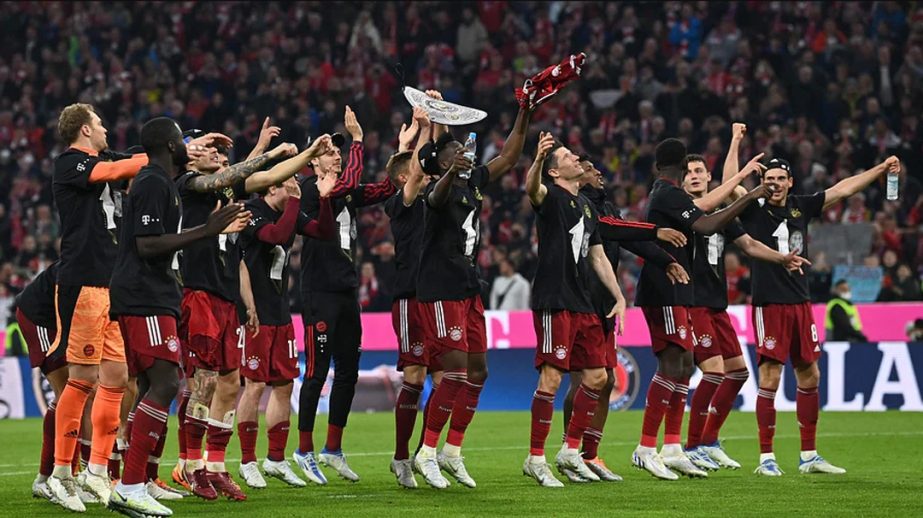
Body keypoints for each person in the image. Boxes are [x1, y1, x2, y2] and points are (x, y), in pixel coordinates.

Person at [107, 116, 248, 517]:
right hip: (143, 295)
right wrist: (207, 230)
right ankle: (130, 485)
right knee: (167, 381)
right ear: (171, 147)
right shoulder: (153, 182)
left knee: (158, 383)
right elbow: (148, 245)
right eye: (183, 141)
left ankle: (137, 480)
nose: (191, 146)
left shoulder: (163, 180)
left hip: (153, 294)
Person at [735, 153, 901, 476]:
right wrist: (737, 145)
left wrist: (880, 168)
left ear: (790, 182)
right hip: (769, 304)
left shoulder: (801, 206)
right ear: (763, 182)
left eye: (780, 179)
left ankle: (809, 455)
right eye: (769, 179)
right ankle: (766, 458)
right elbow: (732, 188)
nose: (774, 184)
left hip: (801, 302)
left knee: (810, 375)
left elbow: (842, 190)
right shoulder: (754, 208)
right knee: (770, 377)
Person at [631, 137, 772, 480]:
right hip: (663, 290)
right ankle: (646, 446)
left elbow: (710, 213)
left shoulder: (668, 192)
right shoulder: (667, 193)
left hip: (681, 291)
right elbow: (707, 222)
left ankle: (674, 447)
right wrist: (748, 191)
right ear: (682, 168)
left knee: (681, 365)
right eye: (689, 168)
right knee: (673, 363)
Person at [413, 94, 534, 490]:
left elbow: (510, 157)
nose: (462, 151)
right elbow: (436, 196)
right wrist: (448, 164)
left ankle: (452, 451)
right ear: (442, 162)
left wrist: (524, 111)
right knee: (454, 371)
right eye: (452, 150)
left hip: (468, 288)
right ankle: (426, 453)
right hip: (440, 289)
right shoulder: (437, 188)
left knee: (479, 372)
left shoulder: (473, 181)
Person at [174, 128, 301, 500]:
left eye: (221, 153)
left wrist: (248, 303)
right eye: (210, 150)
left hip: (228, 299)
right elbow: (236, 174)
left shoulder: (227, 194)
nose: (218, 156)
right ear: (189, 154)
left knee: (231, 383)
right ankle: (190, 464)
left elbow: (255, 179)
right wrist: (270, 149)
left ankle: (215, 466)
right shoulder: (188, 185)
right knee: (204, 383)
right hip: (198, 294)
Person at [559, 156, 689, 483]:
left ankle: (590, 454)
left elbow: (630, 238)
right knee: (584, 381)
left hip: (604, 302)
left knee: (606, 380)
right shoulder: (578, 204)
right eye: (590, 169)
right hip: (580, 299)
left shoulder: (605, 204)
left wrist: (664, 261)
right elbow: (612, 230)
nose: (598, 172)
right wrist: (657, 231)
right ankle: (569, 451)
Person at [46, 103, 148, 510]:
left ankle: (97, 470)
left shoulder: (109, 160)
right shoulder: (68, 163)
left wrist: (187, 148)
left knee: (118, 377)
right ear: (85, 130)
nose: (107, 129)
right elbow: (110, 172)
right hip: (82, 282)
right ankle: (60, 474)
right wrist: (147, 157)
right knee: (83, 376)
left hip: (112, 285)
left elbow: (139, 163)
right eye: (101, 123)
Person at [682, 146, 809, 470]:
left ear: (709, 177)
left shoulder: (721, 215)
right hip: (691, 303)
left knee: (738, 372)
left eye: (699, 171)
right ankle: (691, 446)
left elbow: (750, 245)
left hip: (716, 305)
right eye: (688, 173)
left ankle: (709, 440)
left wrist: (783, 258)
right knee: (712, 372)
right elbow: (709, 204)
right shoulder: (680, 208)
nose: (694, 177)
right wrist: (741, 172)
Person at [294, 106, 397, 485]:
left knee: (348, 373)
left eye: (338, 149)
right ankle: (303, 451)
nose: (336, 153)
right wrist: (356, 141)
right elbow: (346, 184)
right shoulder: (311, 189)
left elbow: (386, 188)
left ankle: (332, 449)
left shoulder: (347, 192)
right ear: (313, 162)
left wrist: (410, 146)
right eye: (328, 150)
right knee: (318, 373)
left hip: (345, 291)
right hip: (319, 291)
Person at [521, 133, 627, 488]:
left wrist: (619, 296)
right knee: (551, 378)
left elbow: (597, 255)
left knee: (597, 377)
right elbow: (531, 189)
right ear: (555, 172)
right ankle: (535, 457)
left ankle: (569, 450)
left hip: (583, 301)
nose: (575, 159)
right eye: (567, 156)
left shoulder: (585, 205)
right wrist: (537, 158)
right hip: (555, 298)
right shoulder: (549, 196)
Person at [236, 164, 336, 488]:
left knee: (284, 385)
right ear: (272, 187)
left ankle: (276, 459)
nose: (294, 186)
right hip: (254, 314)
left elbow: (323, 231)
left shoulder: (290, 211)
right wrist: (296, 201)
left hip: (280, 313)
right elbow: (275, 236)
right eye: (288, 183)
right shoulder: (252, 211)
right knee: (254, 385)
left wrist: (324, 198)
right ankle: (248, 461)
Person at [384, 107, 447, 488]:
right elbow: (423, 167)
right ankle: (401, 457)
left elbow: (434, 163)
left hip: (438, 298)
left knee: (446, 378)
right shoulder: (400, 204)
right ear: (405, 177)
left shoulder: (432, 201)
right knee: (415, 375)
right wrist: (423, 124)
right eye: (417, 169)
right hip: (410, 299)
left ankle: (427, 452)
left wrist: (438, 122)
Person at [16, 262, 69, 501]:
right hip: (40, 316)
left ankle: (65, 474)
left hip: (59, 320)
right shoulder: (84, 258)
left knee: (78, 394)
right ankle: (47, 478)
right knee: (69, 394)